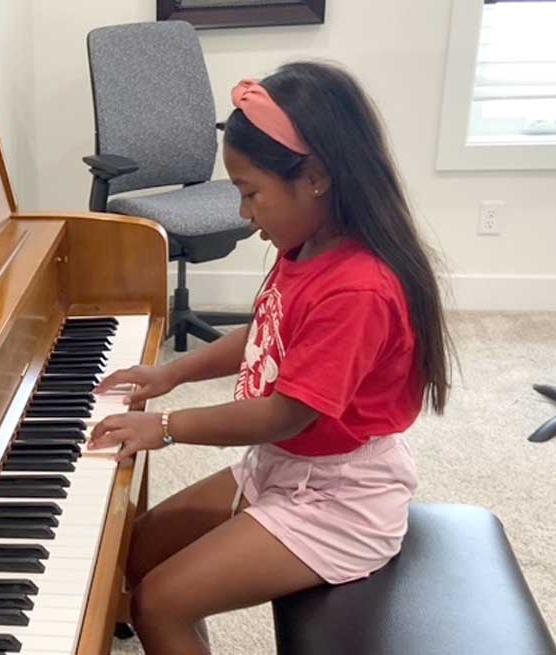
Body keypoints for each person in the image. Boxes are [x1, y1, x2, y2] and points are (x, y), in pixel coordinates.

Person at [87, 61, 453, 655]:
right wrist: (171, 373)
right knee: (138, 549)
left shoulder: (358, 289)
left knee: (159, 602)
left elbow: (285, 415)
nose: (243, 213)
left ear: (316, 178)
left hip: (342, 500)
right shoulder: (305, 245)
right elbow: (264, 333)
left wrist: (166, 428)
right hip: (283, 466)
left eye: (250, 192)